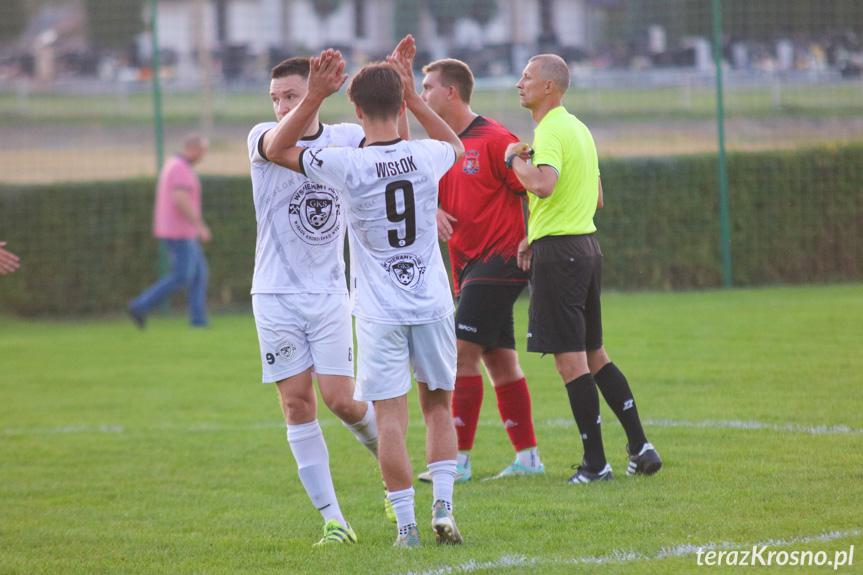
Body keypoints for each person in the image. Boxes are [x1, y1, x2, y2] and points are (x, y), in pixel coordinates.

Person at [269, 39, 466, 548]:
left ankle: (407, 528)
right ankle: (444, 505)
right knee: (439, 407)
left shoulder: (344, 163)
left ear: (355, 111)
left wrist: (313, 96)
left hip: (379, 311)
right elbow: (458, 146)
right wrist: (416, 98)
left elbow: (277, 150)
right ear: (400, 103)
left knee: (393, 420)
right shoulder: (426, 155)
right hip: (432, 302)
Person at [245, 51, 400, 546]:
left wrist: (399, 89)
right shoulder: (260, 139)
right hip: (274, 293)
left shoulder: (346, 137)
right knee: (296, 404)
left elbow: (395, 153)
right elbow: (278, 146)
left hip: (331, 292)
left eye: (290, 95)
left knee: (343, 401)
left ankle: (392, 472)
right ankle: (334, 521)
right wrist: (314, 94)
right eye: (276, 98)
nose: (281, 106)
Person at [506, 54, 662, 484]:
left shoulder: (551, 130)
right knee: (595, 355)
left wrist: (512, 160)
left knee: (570, 363)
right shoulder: (579, 129)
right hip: (585, 248)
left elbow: (542, 183)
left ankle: (596, 465)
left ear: (549, 87)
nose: (519, 83)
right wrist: (535, 232)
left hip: (560, 258)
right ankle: (640, 447)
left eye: (527, 77)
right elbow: (594, 198)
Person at [415, 58, 543, 483]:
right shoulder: (439, 145)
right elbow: (420, 188)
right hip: (467, 265)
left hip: (502, 258)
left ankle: (457, 463)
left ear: (451, 92)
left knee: (460, 354)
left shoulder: (494, 139)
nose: (423, 93)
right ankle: (528, 459)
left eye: (428, 86)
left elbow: (539, 186)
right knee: (500, 360)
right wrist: (430, 208)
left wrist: (533, 235)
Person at [128, 134, 211, 329]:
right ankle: (140, 305)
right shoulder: (179, 168)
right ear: (192, 148)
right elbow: (180, 199)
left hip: (183, 231)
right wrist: (200, 225)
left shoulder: (176, 165)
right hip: (179, 232)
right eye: (201, 152)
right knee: (182, 276)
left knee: (199, 274)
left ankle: (198, 320)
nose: (202, 157)